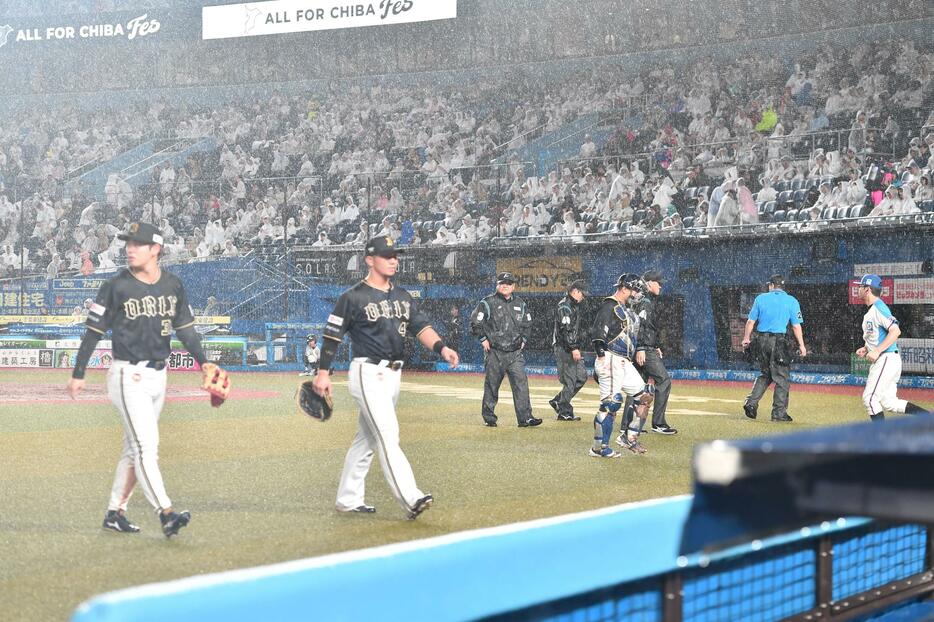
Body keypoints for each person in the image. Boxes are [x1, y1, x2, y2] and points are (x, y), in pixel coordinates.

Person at [66, 223, 210, 538]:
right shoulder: (117, 286)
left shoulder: (173, 284)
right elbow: (93, 331)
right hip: (126, 374)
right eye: (128, 243)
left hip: (160, 375)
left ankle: (115, 512)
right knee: (146, 448)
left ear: (155, 249)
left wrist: (206, 363)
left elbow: (185, 330)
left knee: (133, 452)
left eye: (138, 243)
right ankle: (166, 513)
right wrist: (79, 372)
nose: (130, 248)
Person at [311, 236, 459, 519]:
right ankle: (411, 497)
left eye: (395, 255)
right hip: (368, 373)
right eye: (387, 255)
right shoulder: (352, 297)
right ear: (369, 260)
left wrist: (442, 348)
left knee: (366, 438)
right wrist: (322, 373)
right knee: (388, 434)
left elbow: (421, 326)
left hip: (393, 375)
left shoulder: (402, 296)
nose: (394, 260)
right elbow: (331, 336)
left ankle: (348, 498)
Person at [591, 274, 655, 457]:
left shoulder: (626, 310)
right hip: (610, 358)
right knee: (611, 403)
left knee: (646, 395)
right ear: (625, 288)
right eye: (635, 290)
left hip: (623, 361)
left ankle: (630, 437)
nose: (637, 294)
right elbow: (598, 332)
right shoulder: (610, 306)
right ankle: (599, 448)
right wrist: (601, 355)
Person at [470, 272, 541, 428]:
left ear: (513, 287)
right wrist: (483, 339)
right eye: (502, 283)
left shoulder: (521, 304)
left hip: (515, 353)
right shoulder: (487, 302)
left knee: (521, 385)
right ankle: (489, 418)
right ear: (497, 285)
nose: (505, 286)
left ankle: (525, 418)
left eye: (508, 284)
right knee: (492, 386)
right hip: (495, 352)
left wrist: (524, 340)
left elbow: (528, 324)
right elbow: (476, 322)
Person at [855, 274, 930, 421]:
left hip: (886, 359)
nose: (858, 288)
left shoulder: (878, 307)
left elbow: (895, 331)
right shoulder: (872, 310)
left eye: (860, 286)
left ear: (868, 289)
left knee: (870, 398)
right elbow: (878, 336)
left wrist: (877, 350)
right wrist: (867, 348)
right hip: (888, 359)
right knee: (889, 403)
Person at [741, 274, 807, 422]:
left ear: (771, 285)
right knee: (782, 378)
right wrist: (802, 345)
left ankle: (751, 403)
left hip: (761, 341)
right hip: (778, 341)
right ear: (782, 286)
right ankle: (779, 413)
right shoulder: (791, 300)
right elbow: (796, 326)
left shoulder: (760, 299)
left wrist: (746, 338)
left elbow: (750, 322)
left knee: (766, 373)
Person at [633, 270, 676, 434]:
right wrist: (642, 347)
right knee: (663, 380)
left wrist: (655, 344)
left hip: (642, 347)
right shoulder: (644, 300)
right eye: (659, 283)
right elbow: (641, 325)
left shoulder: (640, 297)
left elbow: (645, 326)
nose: (661, 286)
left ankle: (632, 424)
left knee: (638, 386)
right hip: (644, 349)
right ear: (649, 282)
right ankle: (658, 423)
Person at [550, 279, 588, 422]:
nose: (583, 297)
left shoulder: (572, 305)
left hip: (570, 347)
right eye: (582, 293)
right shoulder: (565, 306)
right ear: (575, 291)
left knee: (582, 377)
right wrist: (574, 347)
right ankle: (564, 411)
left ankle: (559, 401)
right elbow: (567, 329)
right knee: (570, 380)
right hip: (564, 348)